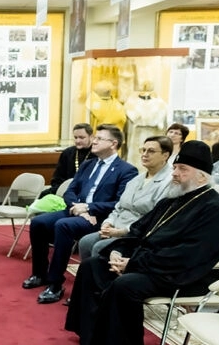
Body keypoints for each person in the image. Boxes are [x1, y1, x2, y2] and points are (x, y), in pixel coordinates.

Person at [64, 141, 219, 345]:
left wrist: (133, 264)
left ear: (202, 177)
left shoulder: (215, 209)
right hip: (150, 263)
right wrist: (118, 252)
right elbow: (138, 231)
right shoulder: (171, 201)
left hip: (182, 274)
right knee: (92, 266)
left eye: (183, 169)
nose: (174, 173)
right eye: (175, 168)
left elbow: (188, 255)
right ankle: (90, 335)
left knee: (125, 285)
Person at [23, 124, 138, 304]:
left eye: (99, 138)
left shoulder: (127, 170)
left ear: (113, 143)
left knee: (63, 226)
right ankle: (39, 273)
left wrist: (88, 208)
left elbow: (118, 202)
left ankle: (55, 283)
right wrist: (77, 207)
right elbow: (70, 190)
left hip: (100, 217)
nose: (94, 141)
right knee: (39, 222)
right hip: (75, 210)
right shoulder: (88, 164)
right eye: (95, 137)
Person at [77, 135, 173, 261]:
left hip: (136, 234)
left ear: (165, 155)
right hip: (115, 228)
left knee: (99, 247)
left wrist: (121, 232)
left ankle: (101, 273)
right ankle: (88, 273)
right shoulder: (136, 179)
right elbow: (119, 207)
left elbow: (153, 218)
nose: (145, 154)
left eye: (151, 151)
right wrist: (108, 223)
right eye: (143, 150)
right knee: (85, 242)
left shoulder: (168, 182)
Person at [40, 123, 93, 197]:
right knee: (44, 195)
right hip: (65, 189)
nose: (77, 141)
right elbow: (57, 178)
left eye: (81, 138)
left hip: (86, 191)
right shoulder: (67, 153)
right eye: (75, 137)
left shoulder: (97, 154)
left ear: (91, 137)